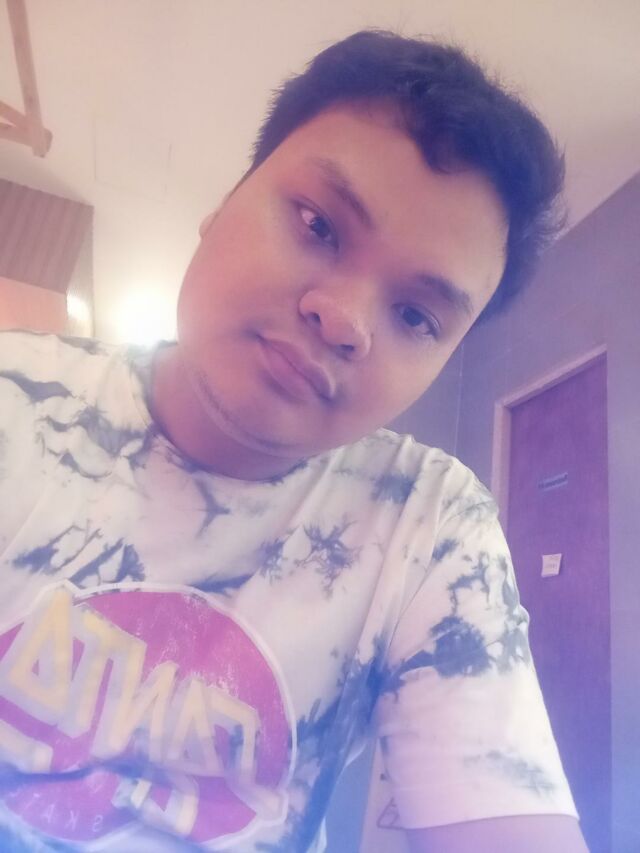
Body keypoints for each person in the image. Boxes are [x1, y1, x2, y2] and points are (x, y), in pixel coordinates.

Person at [0, 29, 588, 853]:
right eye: (318, 225)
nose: (344, 319)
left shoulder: (427, 528)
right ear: (221, 205)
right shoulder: (20, 401)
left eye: (415, 315)